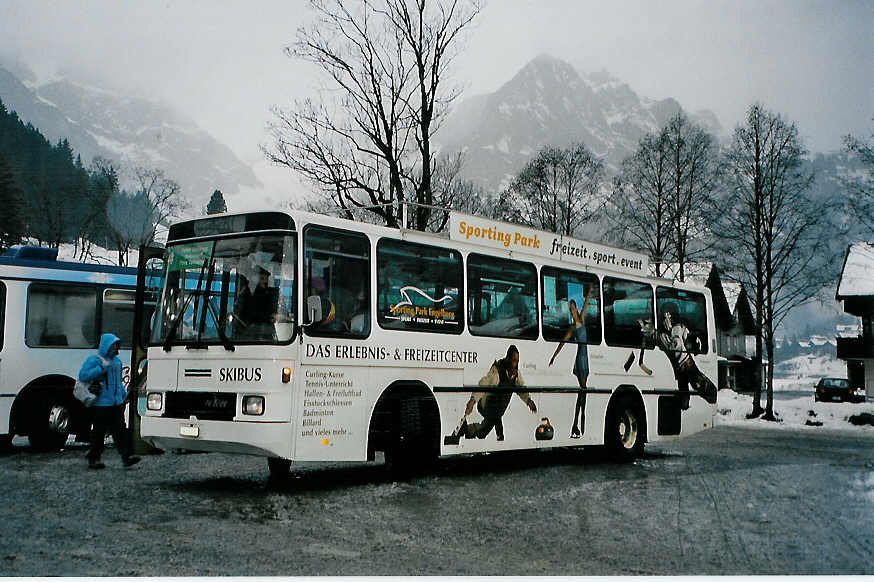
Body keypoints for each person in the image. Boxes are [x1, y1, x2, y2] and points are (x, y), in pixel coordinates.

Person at [79, 333, 140, 469]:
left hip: (115, 403)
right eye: (113, 345)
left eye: (116, 345)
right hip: (101, 404)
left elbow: (117, 382)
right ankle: (95, 457)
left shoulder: (116, 361)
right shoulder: (95, 360)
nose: (116, 348)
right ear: (107, 346)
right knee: (99, 432)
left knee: (120, 431)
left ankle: (126, 456)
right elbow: (83, 375)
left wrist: (122, 394)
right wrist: (101, 368)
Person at [451, 345, 537, 442]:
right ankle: (500, 435)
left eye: (516, 361)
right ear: (508, 358)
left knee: (482, 433)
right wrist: (472, 400)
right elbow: (483, 385)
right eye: (513, 360)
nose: (514, 363)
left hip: (498, 410)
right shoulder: (497, 371)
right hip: (486, 405)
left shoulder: (516, 375)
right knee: (495, 417)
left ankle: (467, 429)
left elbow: (521, 389)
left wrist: (529, 401)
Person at [641, 303, 717, 409]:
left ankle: (711, 396)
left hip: (686, 363)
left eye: (667, 316)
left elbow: (679, 344)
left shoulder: (677, 328)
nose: (666, 320)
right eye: (664, 317)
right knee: (683, 389)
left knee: (698, 385)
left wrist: (693, 344)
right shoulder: (668, 333)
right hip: (680, 366)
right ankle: (684, 406)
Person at [548, 285, 595, 438]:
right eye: (571, 309)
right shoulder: (572, 328)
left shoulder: (581, 319)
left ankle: (578, 424)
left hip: (585, 358)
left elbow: (587, 303)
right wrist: (554, 356)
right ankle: (578, 423)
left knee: (583, 393)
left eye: (573, 308)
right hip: (580, 359)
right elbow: (563, 342)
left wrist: (590, 291)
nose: (572, 311)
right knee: (583, 391)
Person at [235, 268, 279, 338]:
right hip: (252, 331)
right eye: (262, 279)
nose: (265, 281)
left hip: (266, 331)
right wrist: (270, 316)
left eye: (266, 279)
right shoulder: (248, 293)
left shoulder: (270, 293)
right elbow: (250, 313)